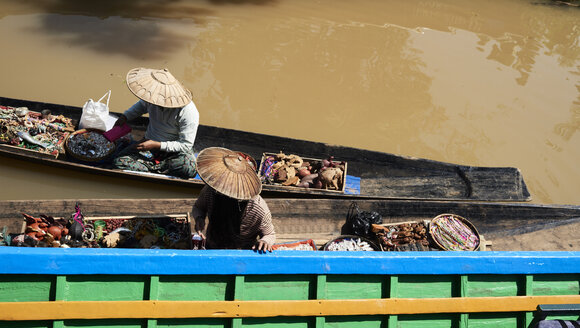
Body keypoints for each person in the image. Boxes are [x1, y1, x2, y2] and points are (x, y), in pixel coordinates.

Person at [112, 67, 199, 179]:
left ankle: (151, 168)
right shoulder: (152, 97)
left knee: (188, 168)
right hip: (148, 146)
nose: (154, 102)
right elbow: (140, 107)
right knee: (119, 162)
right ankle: (159, 170)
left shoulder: (188, 111)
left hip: (174, 153)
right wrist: (124, 117)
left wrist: (157, 144)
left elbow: (185, 145)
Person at [192, 147, 276, 252]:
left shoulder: (257, 208)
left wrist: (265, 241)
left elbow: (269, 234)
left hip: (242, 253)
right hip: (212, 246)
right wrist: (199, 218)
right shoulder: (211, 191)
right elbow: (198, 207)